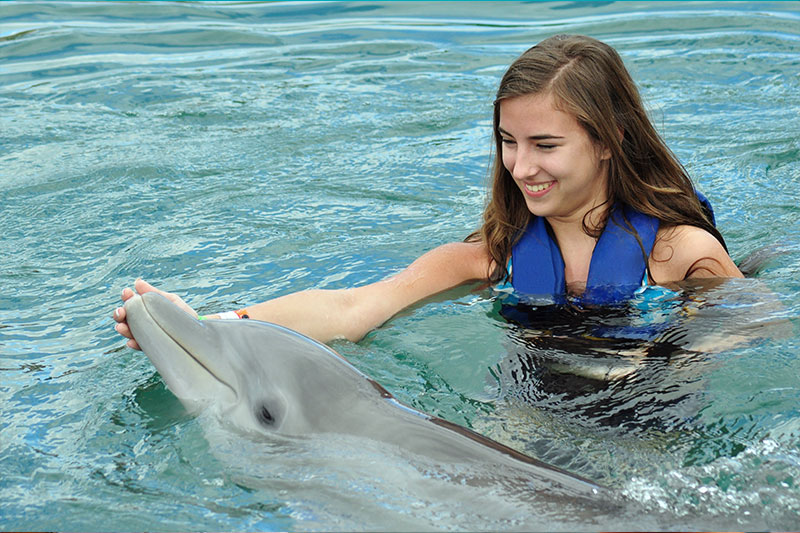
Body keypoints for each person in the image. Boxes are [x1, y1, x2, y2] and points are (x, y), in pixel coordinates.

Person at [113, 34, 742, 351]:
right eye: (508, 142)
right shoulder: (491, 258)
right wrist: (205, 327)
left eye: (546, 146)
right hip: (526, 427)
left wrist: (690, 355)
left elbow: (755, 341)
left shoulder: (681, 254)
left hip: (650, 428)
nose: (522, 168)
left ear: (610, 139)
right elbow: (354, 308)